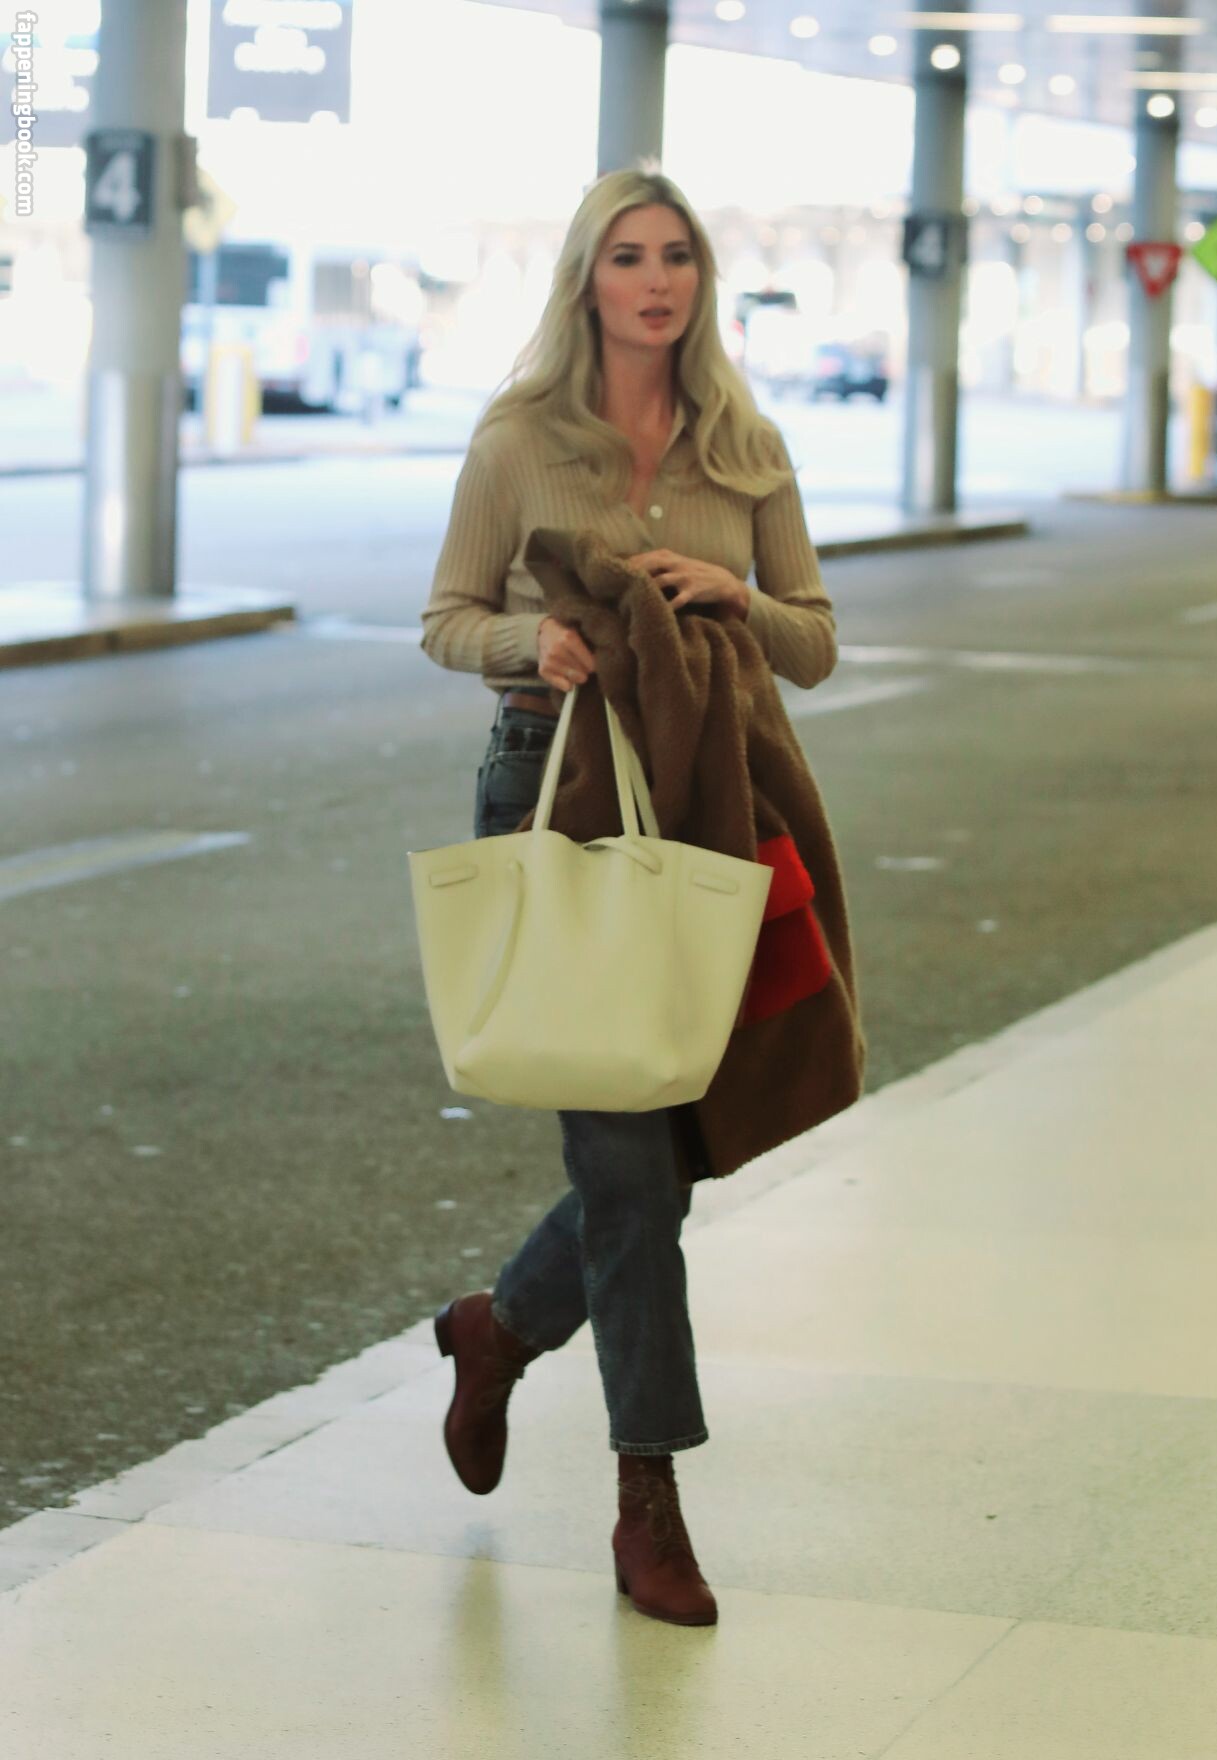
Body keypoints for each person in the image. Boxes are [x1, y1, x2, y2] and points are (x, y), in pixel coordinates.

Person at [421, 167, 839, 1629]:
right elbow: (446, 618)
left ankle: (499, 1331)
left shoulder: (746, 447)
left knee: (679, 1148)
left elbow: (815, 642)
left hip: (709, 803)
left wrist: (733, 600)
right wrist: (530, 642)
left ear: (700, 281)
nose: (656, 281)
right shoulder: (519, 439)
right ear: (586, 281)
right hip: (559, 791)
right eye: (627, 257)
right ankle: (647, 1500)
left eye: (677, 257)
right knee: (629, 1168)